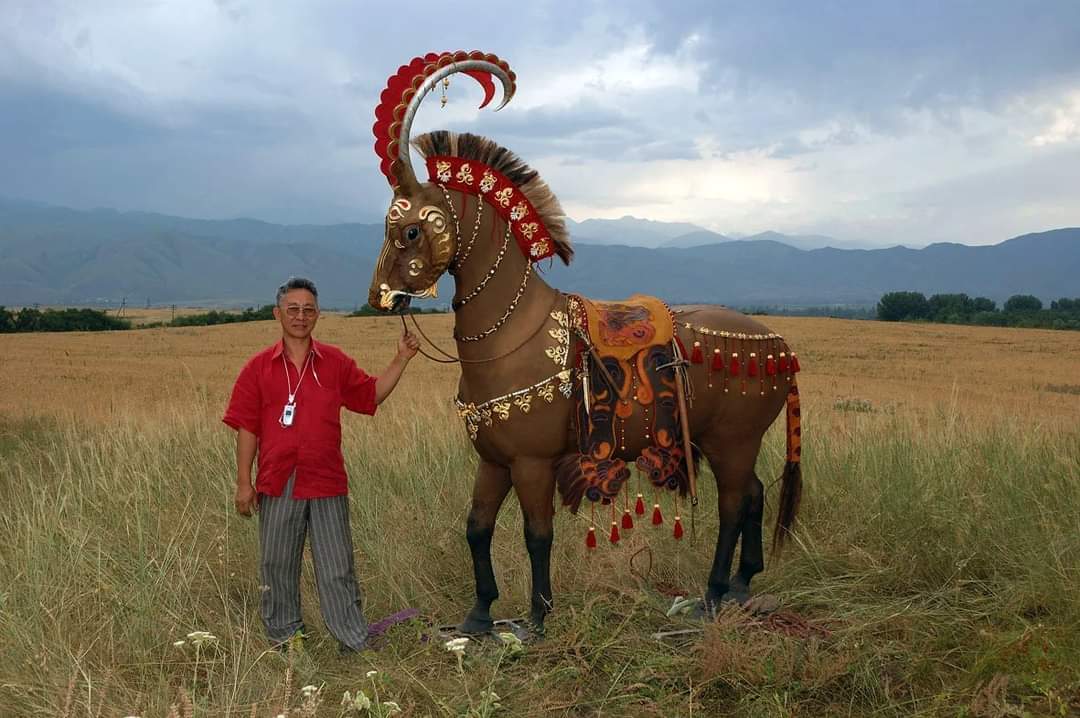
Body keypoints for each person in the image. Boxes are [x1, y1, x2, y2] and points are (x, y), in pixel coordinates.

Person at [222, 277, 419, 652]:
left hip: (326, 478)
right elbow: (247, 428)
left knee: (337, 567)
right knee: (277, 565)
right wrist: (243, 483)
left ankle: (353, 641)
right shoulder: (257, 368)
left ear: (318, 315)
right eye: (293, 309)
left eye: (308, 310)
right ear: (277, 314)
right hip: (277, 480)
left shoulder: (335, 363)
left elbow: (371, 395)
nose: (300, 316)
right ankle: (286, 641)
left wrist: (401, 358)